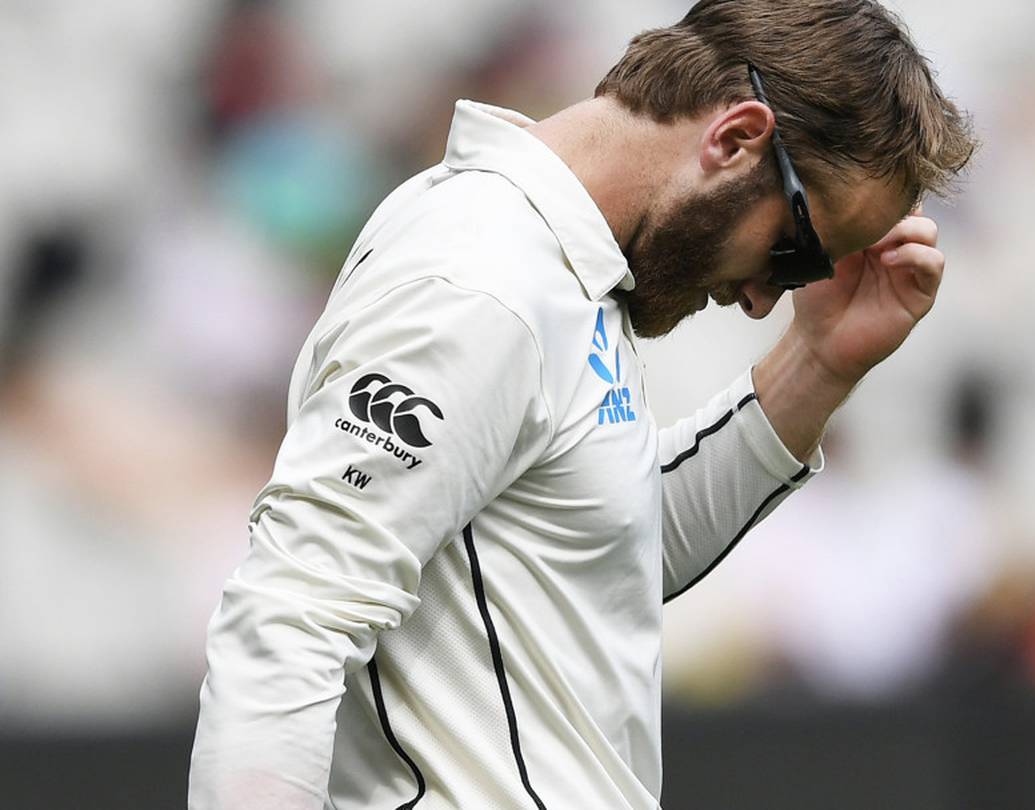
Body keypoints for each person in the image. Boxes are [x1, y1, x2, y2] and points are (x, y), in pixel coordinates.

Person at [188, 1, 975, 807]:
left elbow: (596, 555)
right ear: (735, 138)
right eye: (795, 251)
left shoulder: (564, 272)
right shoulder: (482, 280)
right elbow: (290, 618)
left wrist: (815, 365)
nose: (764, 299)